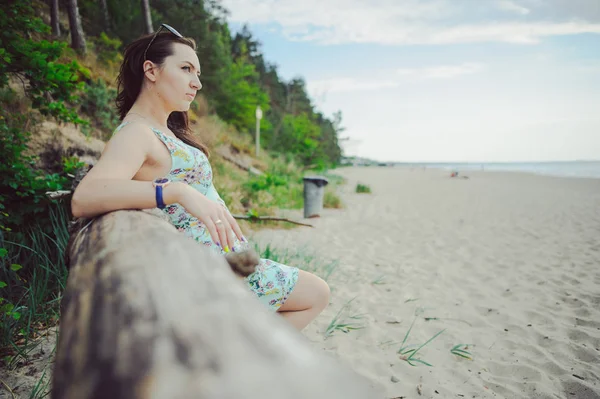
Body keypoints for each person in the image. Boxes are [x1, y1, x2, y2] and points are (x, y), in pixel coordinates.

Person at [70, 24, 330, 331]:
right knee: (316, 293)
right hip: (205, 272)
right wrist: (175, 191)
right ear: (151, 71)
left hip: (224, 263)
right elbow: (84, 198)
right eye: (186, 69)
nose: (196, 83)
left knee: (306, 300)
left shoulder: (163, 130)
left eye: (198, 73)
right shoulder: (136, 133)